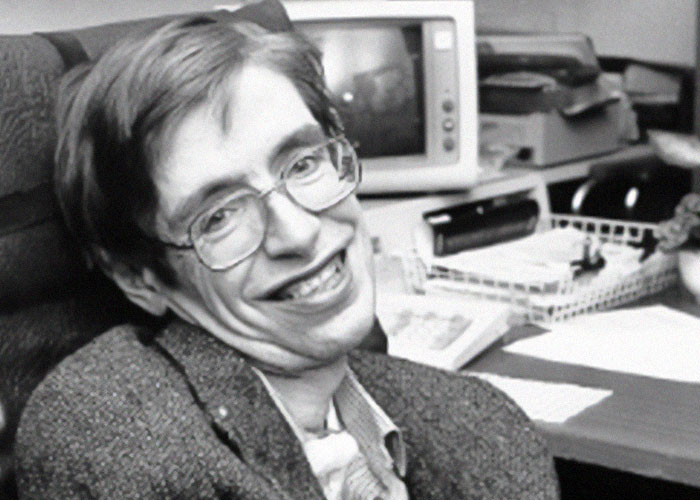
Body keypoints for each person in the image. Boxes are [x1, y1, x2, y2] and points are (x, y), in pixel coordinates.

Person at [14, 9, 559, 500]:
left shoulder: (485, 428)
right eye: (220, 215)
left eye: (301, 164)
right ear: (141, 278)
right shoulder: (113, 435)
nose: (297, 234)